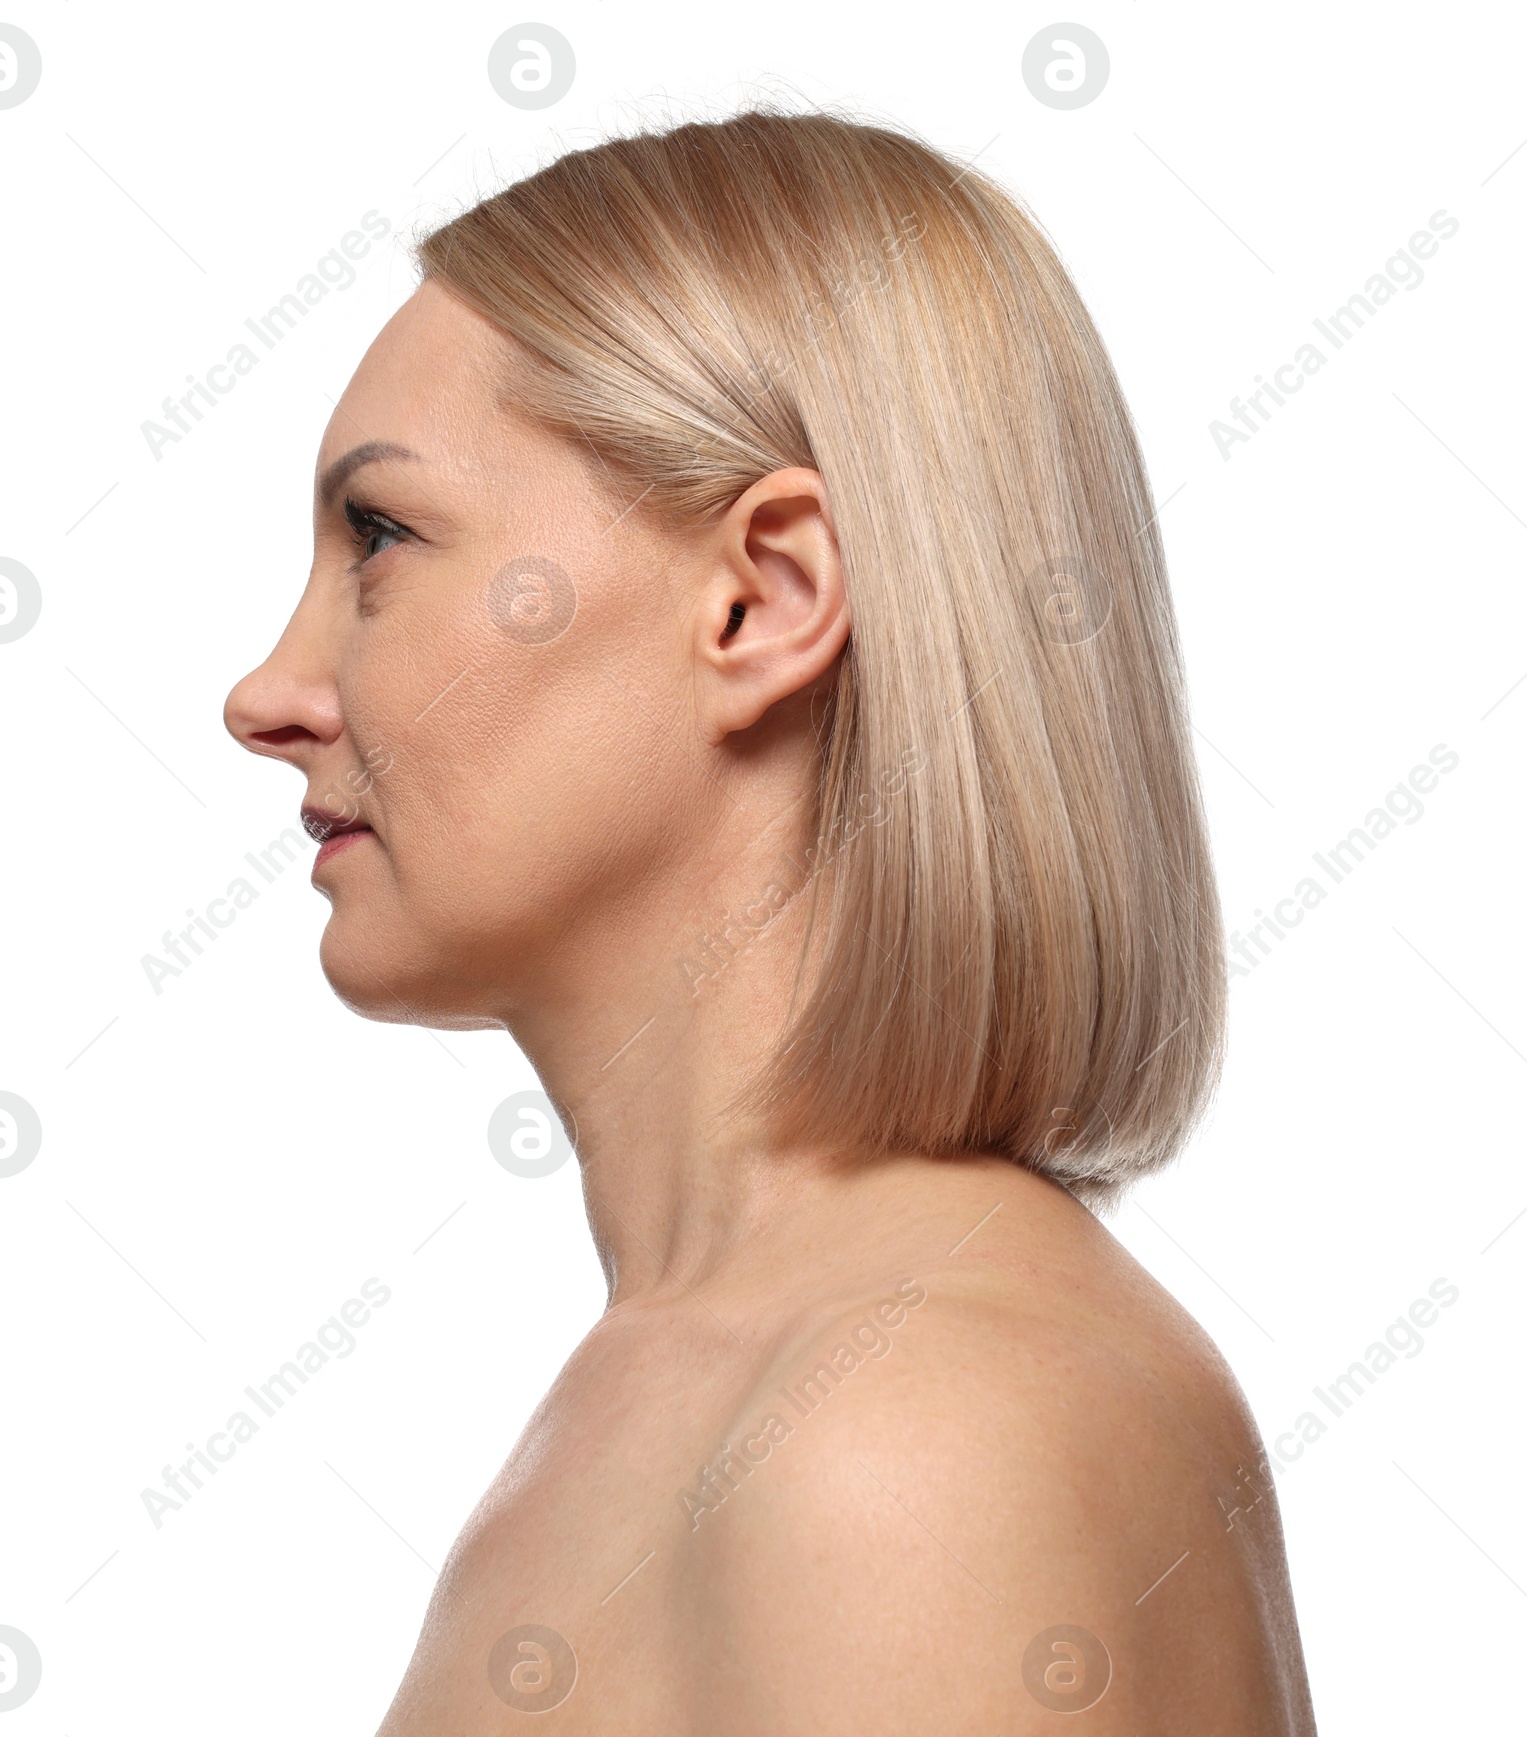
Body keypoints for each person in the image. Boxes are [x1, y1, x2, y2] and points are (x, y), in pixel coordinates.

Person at [224, 107, 1317, 1735]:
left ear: (764, 599)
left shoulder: (906, 1428)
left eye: (381, 539)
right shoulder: (697, 1387)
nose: (264, 694)